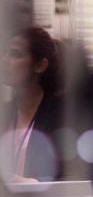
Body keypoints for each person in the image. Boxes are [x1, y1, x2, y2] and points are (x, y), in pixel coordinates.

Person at [0, 26, 64, 183]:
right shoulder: (5, 111)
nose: (4, 60)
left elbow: (69, 179)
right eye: (4, 53)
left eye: (15, 54)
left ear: (40, 66)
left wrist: (32, 184)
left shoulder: (61, 115)